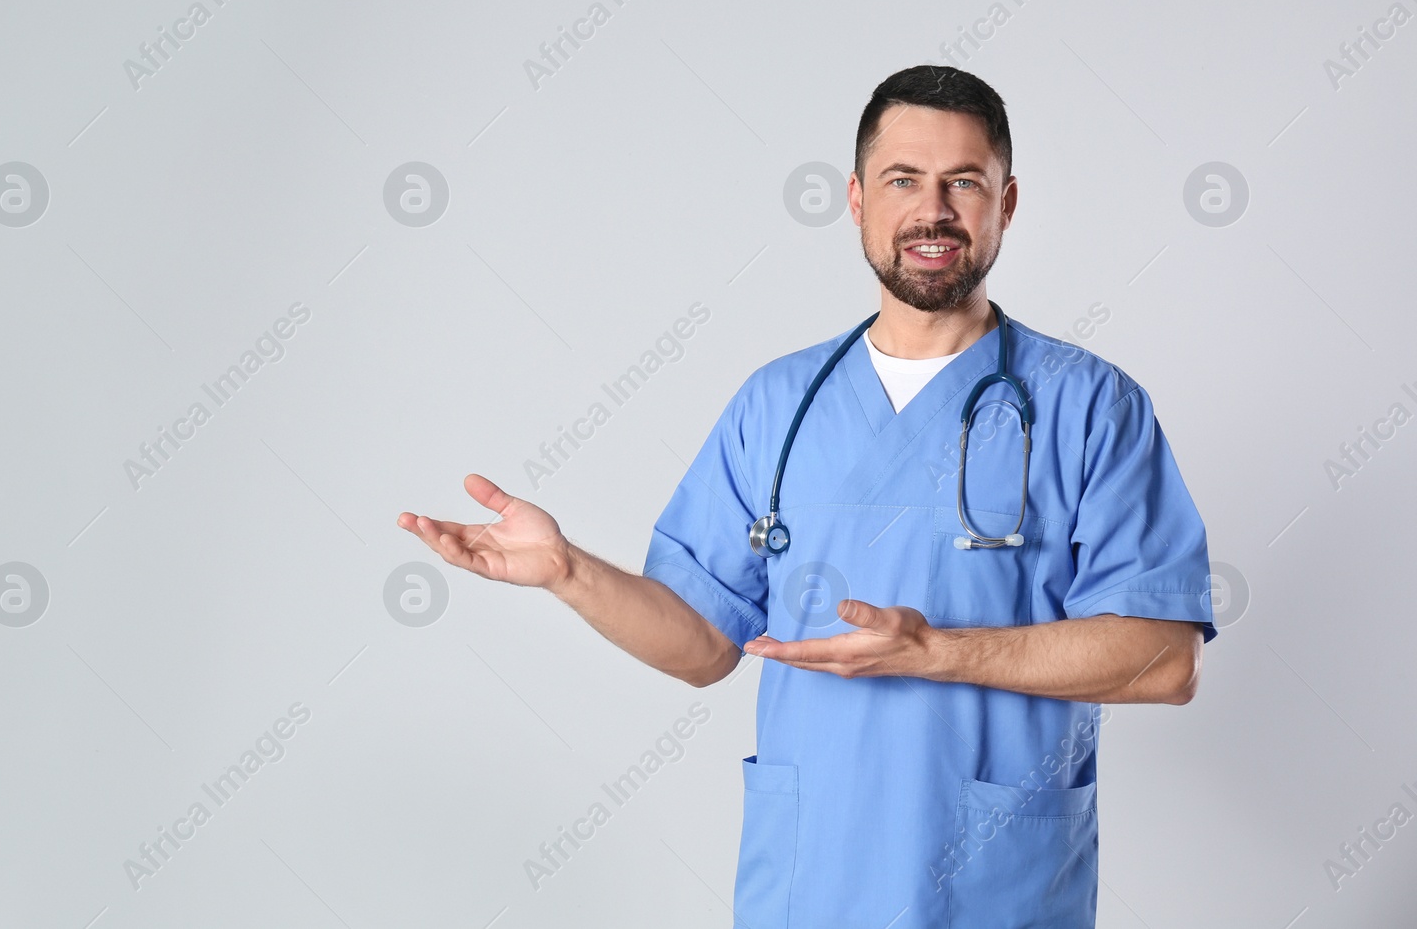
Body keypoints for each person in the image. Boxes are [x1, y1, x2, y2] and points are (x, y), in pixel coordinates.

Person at [398, 65, 1215, 928]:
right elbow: (705, 644)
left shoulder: (1091, 405)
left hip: (997, 893)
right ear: (858, 200)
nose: (932, 210)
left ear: (1005, 204)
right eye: (904, 180)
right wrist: (568, 571)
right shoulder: (777, 405)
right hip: (809, 889)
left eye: (963, 182)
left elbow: (1167, 661)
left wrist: (941, 650)